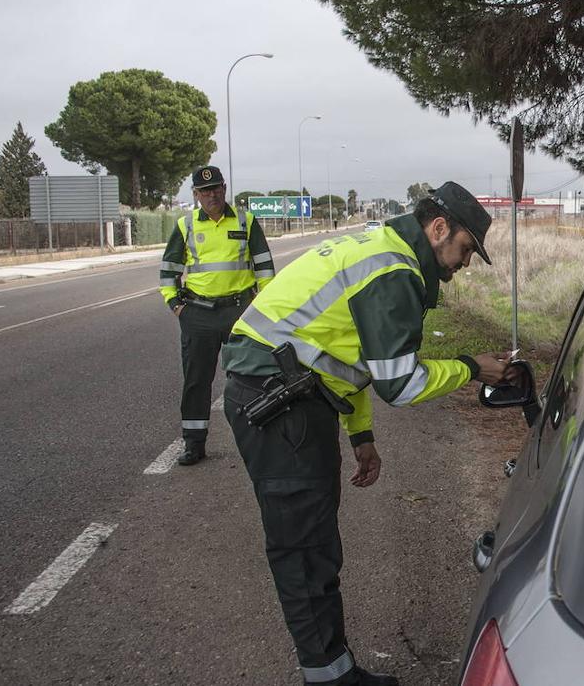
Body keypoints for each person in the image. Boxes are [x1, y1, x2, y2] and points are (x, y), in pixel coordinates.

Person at [219, 182, 511, 686]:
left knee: (314, 543)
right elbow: (399, 384)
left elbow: (343, 355)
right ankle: (329, 677)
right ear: (438, 228)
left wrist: (361, 436)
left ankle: (332, 669)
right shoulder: (393, 270)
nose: (464, 264)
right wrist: (471, 367)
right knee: (304, 548)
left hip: (293, 395)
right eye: (466, 249)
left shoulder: (382, 250)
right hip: (278, 403)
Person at [159, 165, 275, 466]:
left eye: (218, 188)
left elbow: (264, 267)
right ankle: (194, 444)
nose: (213, 195)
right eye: (206, 191)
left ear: (225, 188)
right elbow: (169, 271)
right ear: (196, 195)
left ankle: (263, 438)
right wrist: (177, 306)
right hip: (198, 313)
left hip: (240, 311)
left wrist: (265, 305)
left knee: (255, 375)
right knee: (196, 381)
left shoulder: (246, 221)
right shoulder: (186, 226)